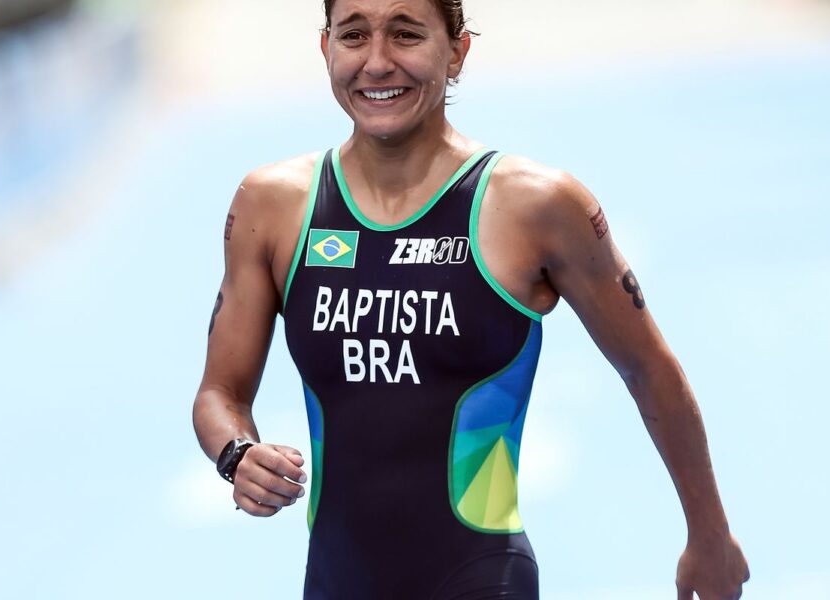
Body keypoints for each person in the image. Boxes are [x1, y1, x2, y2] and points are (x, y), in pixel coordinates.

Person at [192, 0, 750, 598]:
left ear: (457, 51)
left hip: (481, 576)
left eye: (406, 35)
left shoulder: (536, 206)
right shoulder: (271, 206)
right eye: (354, 36)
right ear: (326, 48)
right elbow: (219, 393)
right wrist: (237, 454)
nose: (377, 63)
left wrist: (709, 533)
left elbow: (648, 367)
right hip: (334, 582)